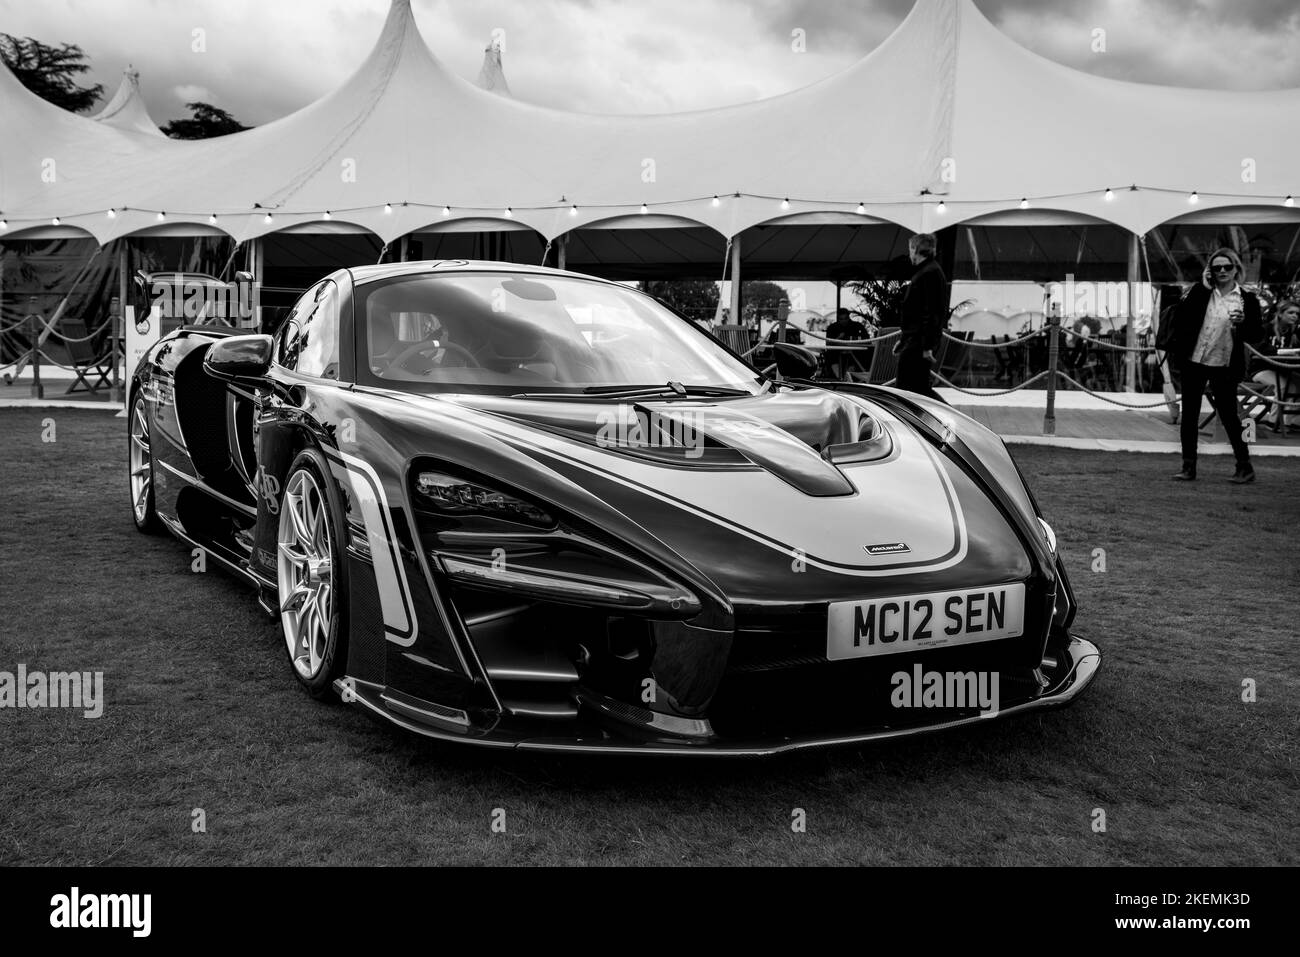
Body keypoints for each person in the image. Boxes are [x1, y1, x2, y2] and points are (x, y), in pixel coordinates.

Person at [1158, 248, 1264, 483]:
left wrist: (1243, 323)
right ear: (1210, 271)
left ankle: (1244, 466)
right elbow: (1184, 320)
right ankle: (1188, 466)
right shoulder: (1201, 292)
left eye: (1227, 266)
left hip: (1224, 364)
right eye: (1217, 268)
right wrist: (1203, 287)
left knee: (1229, 415)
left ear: (1236, 268)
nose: (1222, 271)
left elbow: (1256, 335)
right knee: (1190, 415)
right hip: (1194, 360)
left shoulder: (1247, 299)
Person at [896, 232, 948, 402]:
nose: (909, 253)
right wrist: (903, 339)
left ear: (916, 249)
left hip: (918, 342)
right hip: (915, 340)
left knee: (911, 389)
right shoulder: (928, 271)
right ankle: (946, 421)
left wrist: (927, 346)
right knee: (915, 389)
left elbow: (931, 312)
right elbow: (919, 313)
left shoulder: (929, 273)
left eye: (910, 249)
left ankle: (950, 421)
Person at [1249, 299, 1300, 429]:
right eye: (1291, 312)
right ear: (1280, 314)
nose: (1295, 316)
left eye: (1297, 314)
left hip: (1282, 369)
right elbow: (1259, 349)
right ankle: (1274, 422)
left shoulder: (1293, 333)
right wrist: (1285, 351)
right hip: (1260, 369)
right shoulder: (1265, 329)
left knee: (1297, 387)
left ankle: (1291, 421)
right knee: (1283, 386)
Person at [824, 307, 870, 380]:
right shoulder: (833, 328)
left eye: (845, 318)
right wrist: (838, 338)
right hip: (837, 354)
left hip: (856, 354)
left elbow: (867, 340)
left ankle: (846, 376)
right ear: (838, 319)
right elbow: (828, 344)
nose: (844, 321)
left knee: (858, 355)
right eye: (841, 319)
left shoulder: (857, 326)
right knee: (831, 354)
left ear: (848, 317)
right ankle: (842, 377)